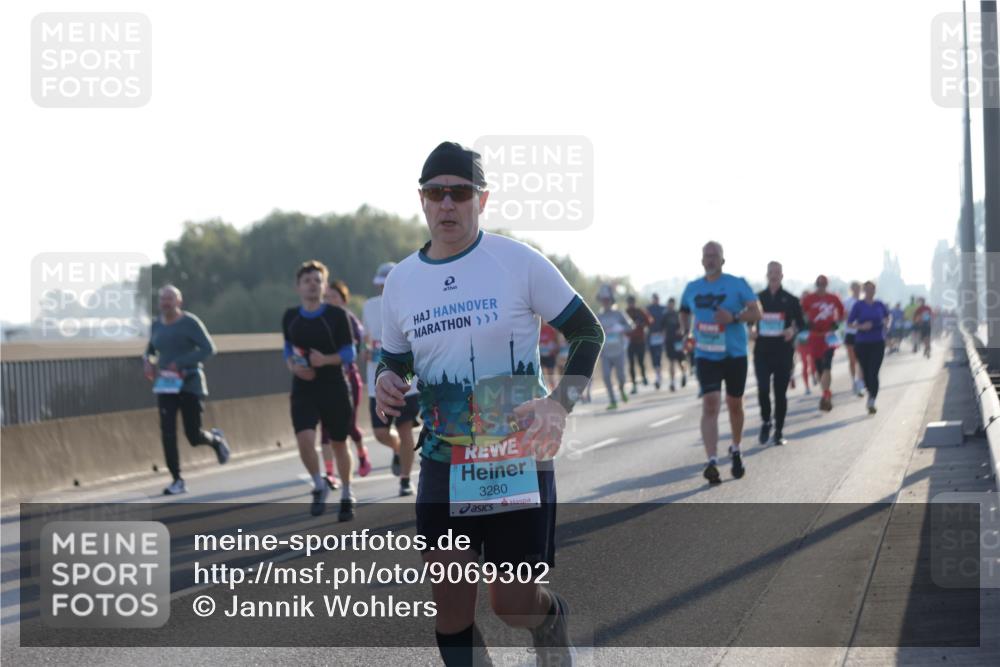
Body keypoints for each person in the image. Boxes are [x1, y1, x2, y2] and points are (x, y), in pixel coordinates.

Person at [374, 142, 603, 666]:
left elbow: (587, 332)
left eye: (460, 192)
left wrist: (559, 405)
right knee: (451, 606)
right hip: (443, 459)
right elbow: (396, 359)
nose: (448, 204)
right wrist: (387, 377)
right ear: (423, 201)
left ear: (482, 198)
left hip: (515, 455)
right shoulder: (402, 281)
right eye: (437, 193)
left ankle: (550, 620)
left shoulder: (517, 262)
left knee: (513, 604)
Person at [680, 241, 762, 485]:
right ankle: (712, 460)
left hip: (735, 354)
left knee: (735, 404)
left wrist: (734, 317)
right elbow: (684, 310)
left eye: (715, 255)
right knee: (711, 403)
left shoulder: (737, 284)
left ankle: (736, 448)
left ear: (723, 260)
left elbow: (757, 312)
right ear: (702, 260)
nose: (710, 259)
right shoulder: (692, 287)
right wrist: (686, 333)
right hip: (706, 354)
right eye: (707, 255)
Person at [282, 260, 357, 520]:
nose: (312, 285)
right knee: (304, 440)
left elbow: (350, 352)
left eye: (317, 280)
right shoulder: (290, 316)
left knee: (338, 443)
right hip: (303, 387)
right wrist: (294, 367)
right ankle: (318, 483)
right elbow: (287, 349)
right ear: (298, 287)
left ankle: (347, 492)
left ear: (324, 286)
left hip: (333, 385)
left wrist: (324, 360)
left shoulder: (336, 316)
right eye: (307, 281)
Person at [143, 285, 231, 496]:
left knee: (193, 434)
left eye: (170, 299)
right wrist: (147, 361)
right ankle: (177, 479)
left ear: (179, 302)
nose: (165, 303)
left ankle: (216, 440)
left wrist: (181, 363)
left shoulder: (190, 322)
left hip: (190, 383)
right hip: (166, 386)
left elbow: (209, 349)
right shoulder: (156, 325)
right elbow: (151, 349)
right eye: (163, 299)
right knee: (167, 432)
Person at [361, 262, 419, 497]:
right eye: (381, 285)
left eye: (389, 284)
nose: (385, 288)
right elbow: (366, 337)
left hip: (407, 382)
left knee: (406, 430)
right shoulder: (369, 306)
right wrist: (365, 350)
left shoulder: (412, 304)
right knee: (380, 433)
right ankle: (398, 451)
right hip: (378, 381)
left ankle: (405, 479)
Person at [752, 262, 805, 446]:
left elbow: (801, 323)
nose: (773, 275)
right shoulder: (758, 298)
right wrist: (751, 329)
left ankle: (779, 432)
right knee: (763, 389)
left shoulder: (791, 299)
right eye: (770, 272)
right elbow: (749, 320)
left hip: (783, 352)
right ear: (766, 275)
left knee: (780, 394)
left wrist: (792, 330)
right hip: (762, 352)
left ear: (782, 275)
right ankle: (766, 421)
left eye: (777, 272)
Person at [325, 279, 372, 484]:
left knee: (349, 426)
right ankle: (329, 474)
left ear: (343, 300)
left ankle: (362, 455)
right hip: (325, 380)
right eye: (327, 297)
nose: (330, 300)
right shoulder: (321, 320)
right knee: (325, 429)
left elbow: (360, 344)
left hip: (348, 379)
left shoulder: (349, 319)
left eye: (334, 297)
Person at [802, 275, 845, 412]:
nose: (821, 287)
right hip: (814, 337)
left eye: (823, 284)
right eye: (819, 284)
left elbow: (842, 313)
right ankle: (826, 391)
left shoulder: (834, 298)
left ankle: (826, 394)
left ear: (827, 285)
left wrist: (837, 323)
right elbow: (800, 313)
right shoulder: (809, 299)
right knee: (819, 368)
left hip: (829, 337)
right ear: (816, 285)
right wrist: (805, 322)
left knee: (827, 365)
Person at [848, 281, 891, 414]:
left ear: (875, 290)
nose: (870, 292)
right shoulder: (858, 305)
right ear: (863, 291)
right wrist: (861, 326)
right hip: (862, 342)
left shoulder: (879, 304)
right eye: (867, 289)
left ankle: (872, 399)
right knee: (866, 372)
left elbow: (887, 317)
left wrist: (886, 324)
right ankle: (866, 388)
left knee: (874, 371)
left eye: (872, 289)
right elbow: (849, 323)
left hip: (878, 341)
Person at [597, 285, 633, 409]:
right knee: (606, 376)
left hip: (619, 351)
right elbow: (594, 333)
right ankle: (613, 400)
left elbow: (630, 326)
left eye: (607, 299)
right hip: (606, 353)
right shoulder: (598, 317)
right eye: (603, 300)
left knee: (621, 377)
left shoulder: (619, 314)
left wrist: (621, 328)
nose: (605, 302)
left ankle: (622, 389)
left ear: (611, 300)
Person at [624, 295, 652, 394]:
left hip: (640, 340)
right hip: (630, 342)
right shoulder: (625, 313)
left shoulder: (640, 311)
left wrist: (642, 325)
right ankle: (634, 385)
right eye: (629, 302)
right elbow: (621, 325)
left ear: (634, 302)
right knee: (631, 364)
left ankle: (644, 376)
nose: (630, 304)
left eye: (632, 302)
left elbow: (649, 321)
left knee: (640, 361)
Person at [843, 281, 865, 397]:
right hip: (850, 333)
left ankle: (860, 383)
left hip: (861, 334)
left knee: (860, 360)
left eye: (858, 288)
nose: (857, 290)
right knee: (852, 360)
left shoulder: (863, 302)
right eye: (854, 288)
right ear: (851, 289)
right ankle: (853, 381)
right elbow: (843, 316)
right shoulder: (847, 302)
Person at [663, 297, 688, 391]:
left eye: (672, 304)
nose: (670, 305)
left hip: (678, 341)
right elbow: (662, 328)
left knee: (681, 360)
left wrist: (681, 331)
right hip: (669, 341)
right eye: (669, 303)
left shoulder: (678, 314)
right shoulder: (665, 315)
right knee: (671, 361)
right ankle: (672, 382)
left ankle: (684, 374)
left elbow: (684, 326)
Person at [646, 293, 667, 389]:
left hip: (660, 336)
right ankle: (657, 373)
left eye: (657, 298)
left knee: (658, 355)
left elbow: (667, 321)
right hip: (651, 337)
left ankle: (658, 376)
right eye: (654, 298)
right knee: (653, 356)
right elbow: (646, 321)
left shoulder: (663, 309)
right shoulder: (648, 309)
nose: (656, 300)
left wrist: (664, 332)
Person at [539, 321, 560, 389]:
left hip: (550, 355)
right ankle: (545, 390)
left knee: (550, 375)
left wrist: (556, 350)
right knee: (542, 376)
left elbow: (556, 341)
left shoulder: (550, 329)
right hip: (541, 356)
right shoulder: (537, 330)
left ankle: (553, 390)